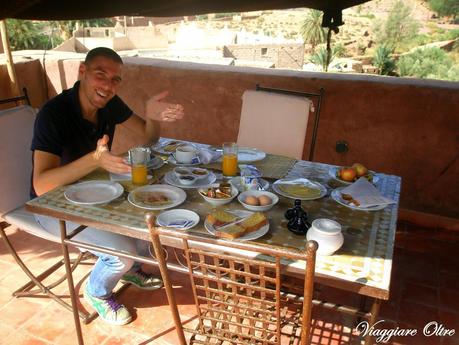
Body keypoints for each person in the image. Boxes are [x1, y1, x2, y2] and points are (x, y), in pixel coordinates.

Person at [30, 47, 184, 325]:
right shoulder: (53, 114)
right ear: (82, 72)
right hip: (52, 208)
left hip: (95, 194)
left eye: (115, 80)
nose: (108, 85)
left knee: (146, 228)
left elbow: (148, 140)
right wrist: (94, 160)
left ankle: (129, 268)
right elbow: (41, 185)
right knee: (122, 254)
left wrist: (153, 117)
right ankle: (97, 292)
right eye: (101, 75)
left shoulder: (109, 104)